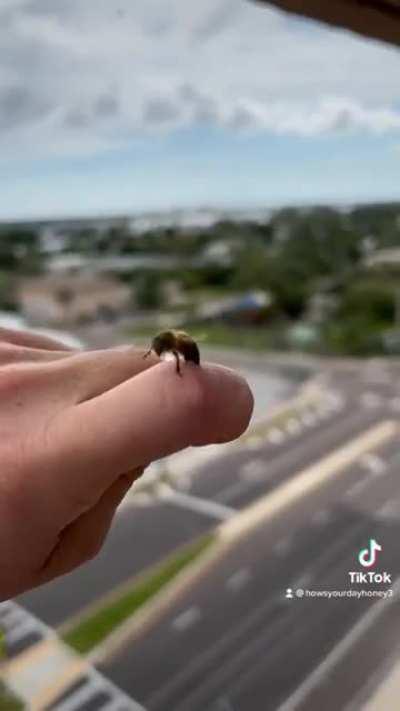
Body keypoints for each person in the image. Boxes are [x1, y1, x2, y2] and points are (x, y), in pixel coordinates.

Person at [0, 327, 253, 601]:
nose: (155, 352)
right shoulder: (168, 346)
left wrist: (179, 369)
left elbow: (184, 362)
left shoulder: (178, 348)